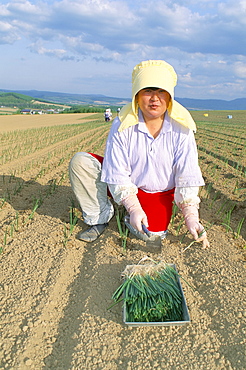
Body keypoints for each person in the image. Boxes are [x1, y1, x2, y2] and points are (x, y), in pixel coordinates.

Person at [69, 60, 209, 248]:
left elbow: (187, 173)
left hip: (160, 192)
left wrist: (191, 216)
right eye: (147, 91)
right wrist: (134, 207)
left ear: (170, 97)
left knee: (153, 234)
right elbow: (116, 171)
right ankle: (99, 217)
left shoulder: (182, 129)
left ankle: (134, 212)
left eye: (161, 92)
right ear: (136, 96)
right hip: (128, 182)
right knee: (81, 162)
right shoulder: (122, 124)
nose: (155, 98)